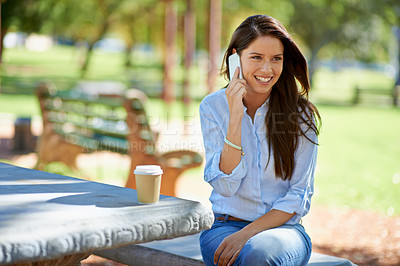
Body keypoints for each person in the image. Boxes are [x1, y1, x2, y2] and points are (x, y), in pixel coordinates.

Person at [199, 15, 321, 266]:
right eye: (257, 57)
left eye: (276, 59)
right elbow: (225, 187)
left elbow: (298, 195)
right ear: (236, 57)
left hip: (283, 231)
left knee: (258, 254)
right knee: (252, 256)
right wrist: (235, 116)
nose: (267, 69)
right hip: (224, 226)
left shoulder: (300, 114)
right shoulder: (212, 107)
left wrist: (246, 234)